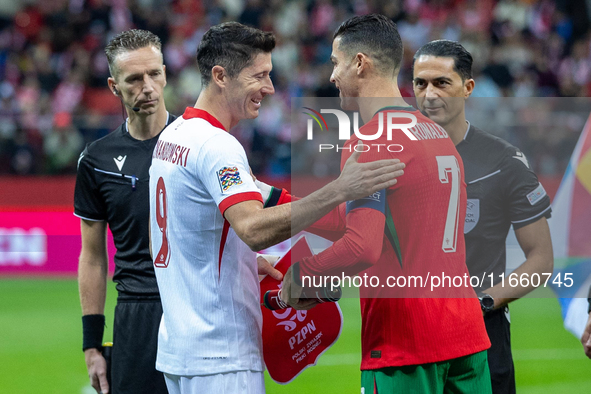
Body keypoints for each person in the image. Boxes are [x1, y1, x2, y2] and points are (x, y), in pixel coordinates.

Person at [148, 21, 405, 394]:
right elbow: (253, 229)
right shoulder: (217, 146)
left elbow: (183, 228)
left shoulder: (172, 137)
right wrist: (341, 188)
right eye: (260, 76)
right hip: (222, 353)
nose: (269, 88)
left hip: (181, 345)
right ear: (221, 76)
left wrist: (242, 263)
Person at [281, 14, 492, 393]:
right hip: (465, 335)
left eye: (335, 62)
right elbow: (365, 219)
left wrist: (303, 274)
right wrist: (278, 202)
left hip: (406, 344)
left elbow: (361, 245)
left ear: (359, 63)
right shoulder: (436, 133)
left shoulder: (373, 139)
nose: (331, 76)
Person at [412, 40, 554, 394]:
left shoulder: (504, 162)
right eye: (420, 83)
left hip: (481, 333)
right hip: (411, 332)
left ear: (468, 88)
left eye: (441, 83)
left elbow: (541, 259)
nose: (429, 94)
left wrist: (481, 303)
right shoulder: (395, 158)